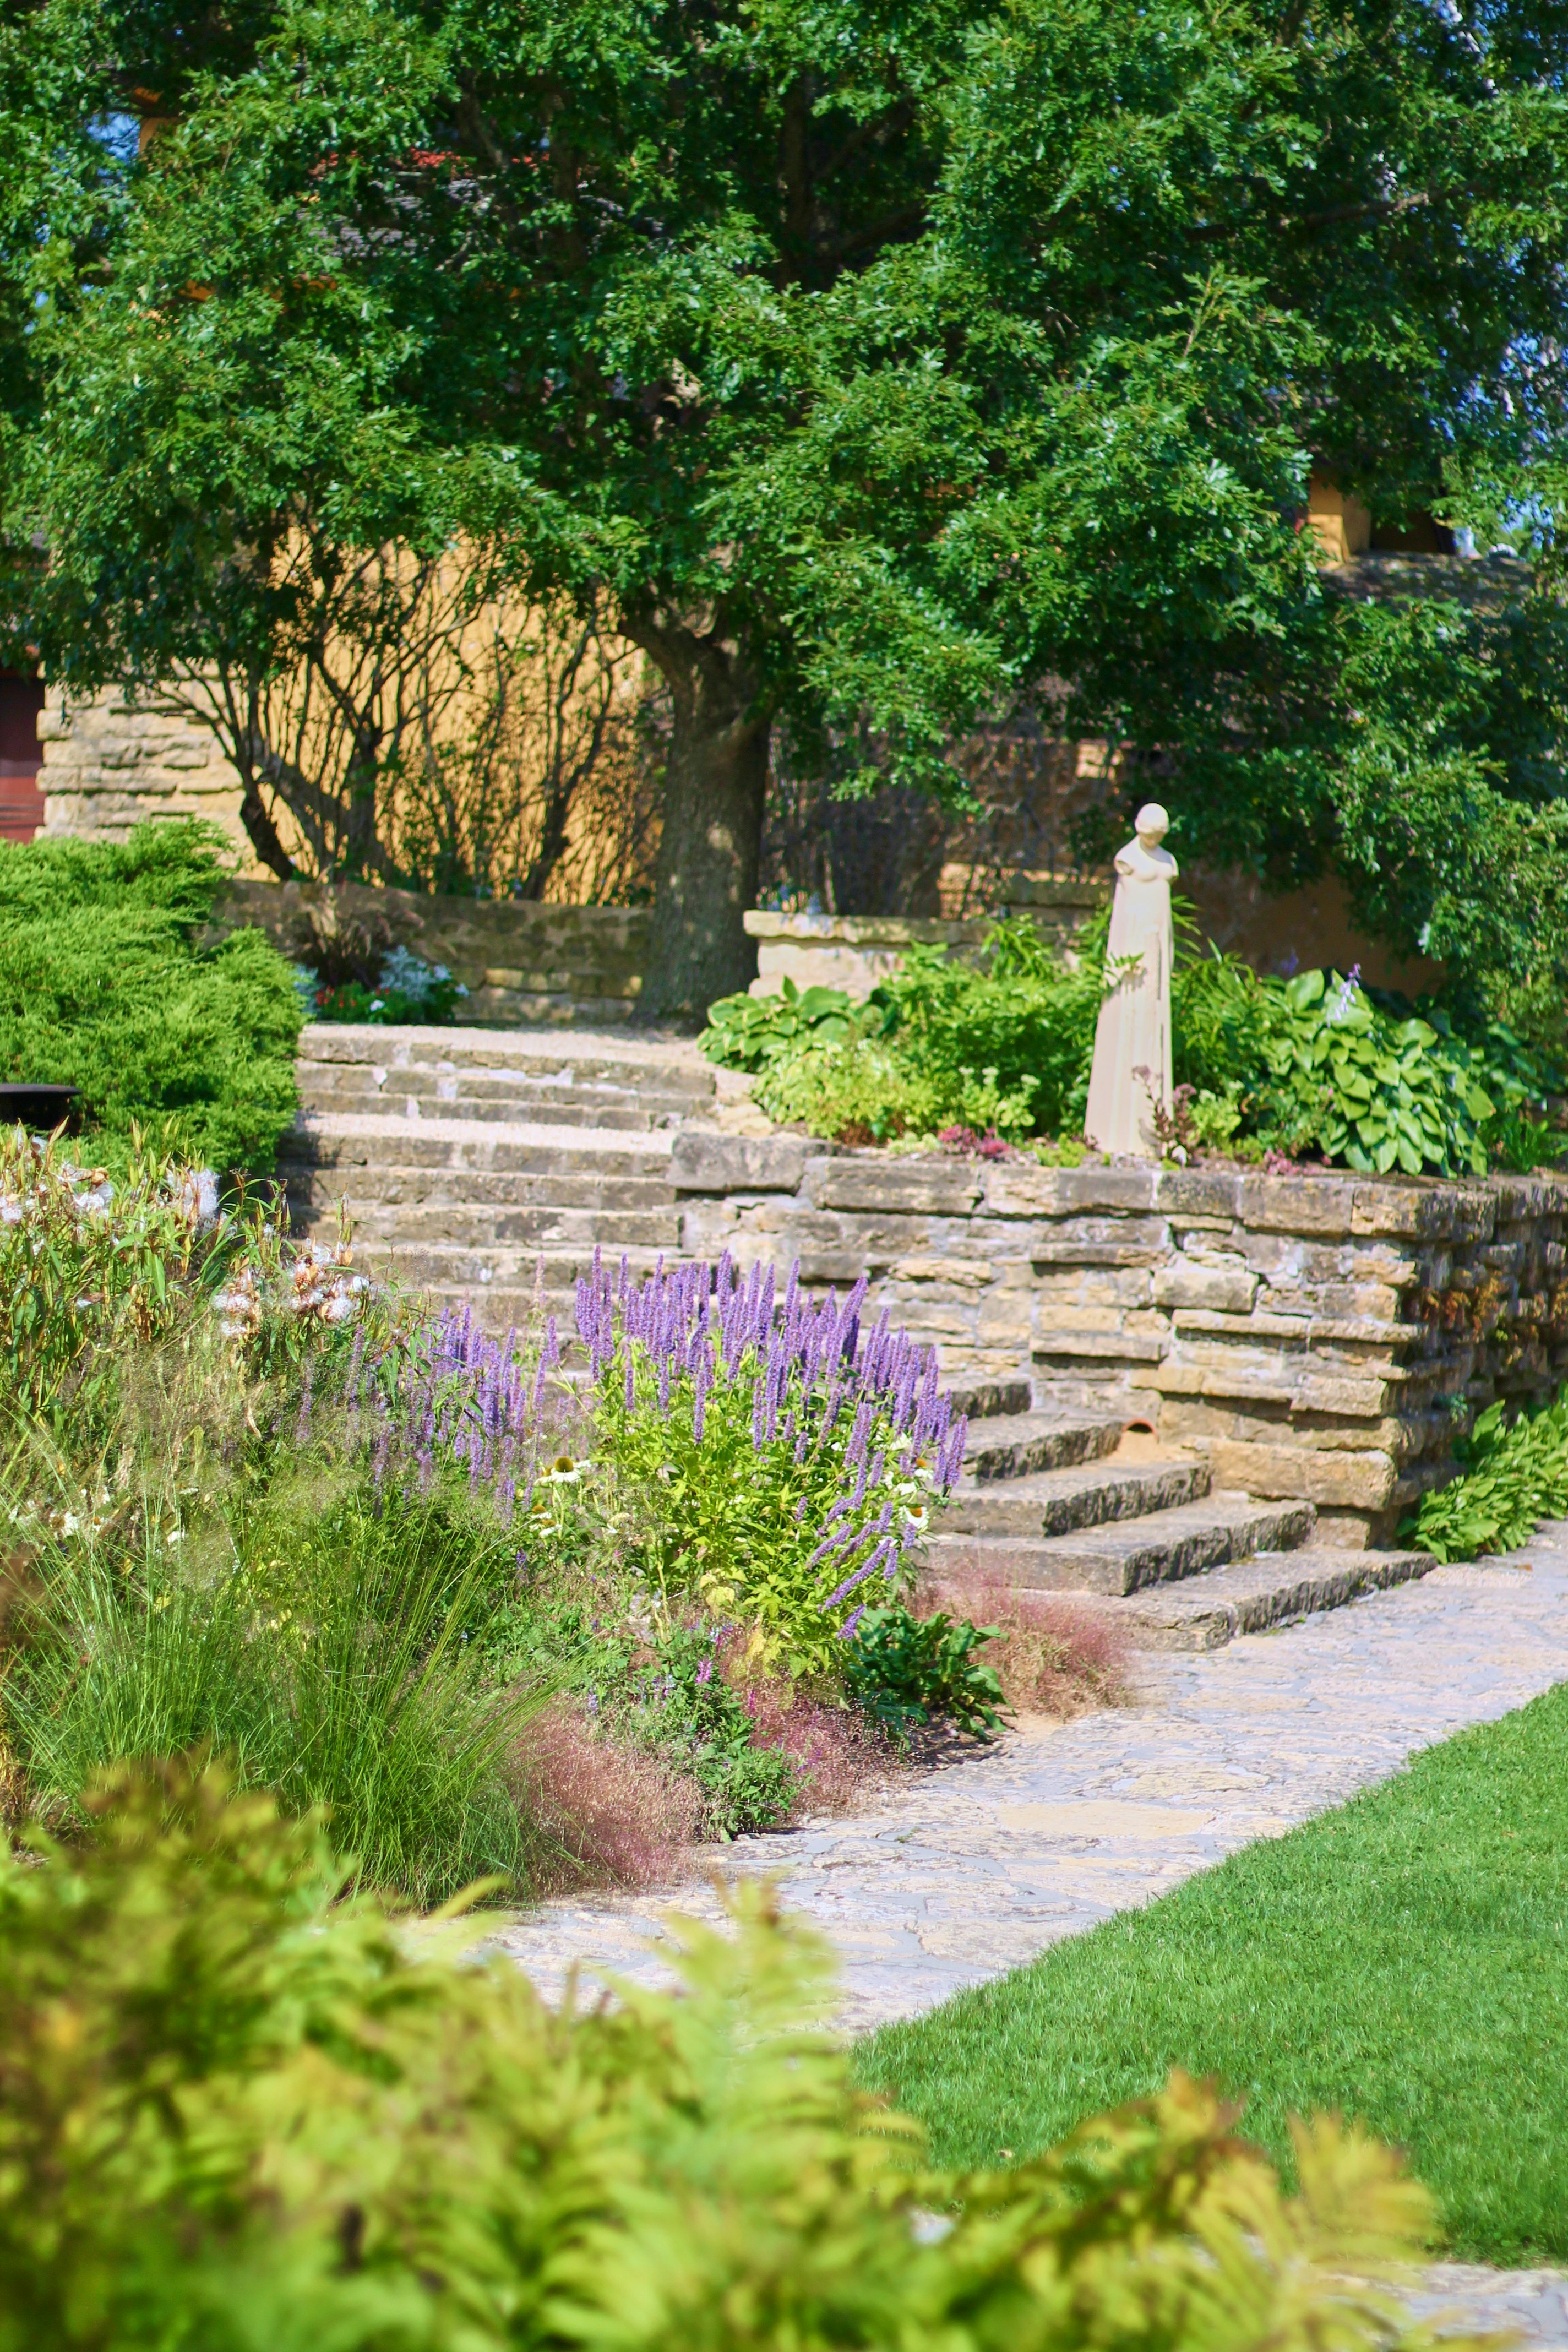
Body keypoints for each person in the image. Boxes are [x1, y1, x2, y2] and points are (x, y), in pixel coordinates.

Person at [1084, 803, 1177, 1156]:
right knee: (1127, 1023)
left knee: (1153, 1026)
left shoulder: (1168, 861)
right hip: (1133, 950)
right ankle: (1117, 1129)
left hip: (1158, 947)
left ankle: (1155, 1131)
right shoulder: (1127, 859)